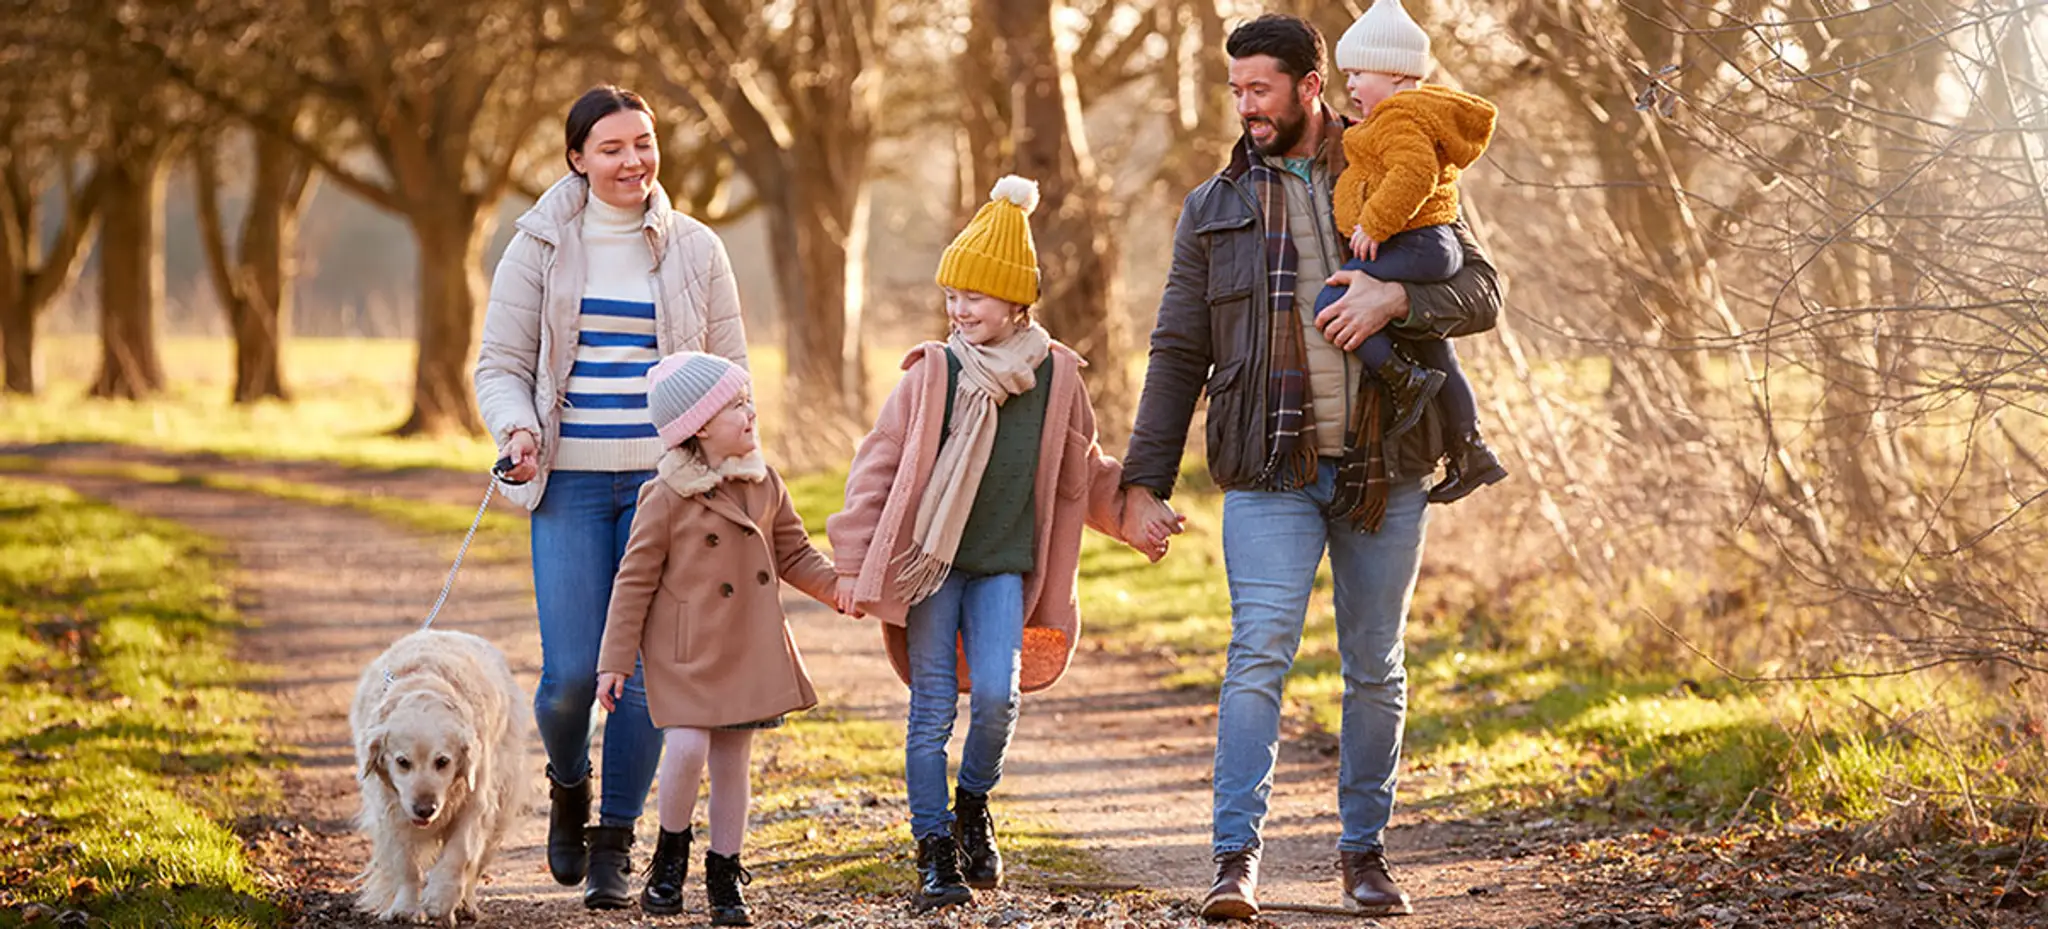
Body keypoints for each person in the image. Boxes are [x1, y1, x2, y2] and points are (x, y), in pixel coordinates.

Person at [1118, 13, 1504, 921]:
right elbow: (1177, 350)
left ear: (1309, 86)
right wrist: (1144, 482)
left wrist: (1396, 295)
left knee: (1375, 665)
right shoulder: (1211, 207)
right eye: (1236, 91)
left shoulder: (1398, 160)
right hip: (1267, 469)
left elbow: (1482, 290)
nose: (1247, 107)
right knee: (1257, 654)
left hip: (1386, 465)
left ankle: (1364, 854)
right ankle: (1233, 861)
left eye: (1261, 89)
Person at [827, 176, 1157, 912]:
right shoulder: (933, 374)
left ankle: (973, 803)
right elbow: (876, 465)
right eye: (953, 296)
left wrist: (1137, 514)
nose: (959, 309)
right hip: (931, 569)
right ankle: (934, 846)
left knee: (1002, 699)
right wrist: (852, 561)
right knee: (931, 708)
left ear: (1017, 303)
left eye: (975, 296)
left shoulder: (1058, 379)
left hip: (1003, 569)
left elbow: (1087, 472)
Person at [473, 84, 749, 909]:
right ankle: (569, 778)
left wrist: (740, 475)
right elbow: (500, 366)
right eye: (613, 149)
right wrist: (518, 430)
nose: (634, 161)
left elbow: (733, 375)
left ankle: (615, 843)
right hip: (570, 483)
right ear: (577, 160)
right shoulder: (538, 247)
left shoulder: (698, 249)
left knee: (642, 675)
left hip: (672, 486)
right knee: (568, 678)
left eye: (644, 144)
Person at [596, 352, 837, 925]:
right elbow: (633, 581)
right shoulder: (665, 495)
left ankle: (726, 875)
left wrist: (840, 590)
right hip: (686, 649)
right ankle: (670, 857)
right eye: (736, 405)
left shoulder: (764, 481)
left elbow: (794, 552)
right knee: (685, 747)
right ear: (700, 425)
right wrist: (614, 661)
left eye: (748, 401)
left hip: (747, 645)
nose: (751, 413)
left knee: (734, 760)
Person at [1316, 0, 1506, 503]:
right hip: (1430, 243)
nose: (1350, 85)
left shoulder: (1400, 118)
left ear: (1398, 74)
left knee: (1332, 300)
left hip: (1418, 242)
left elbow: (1414, 173)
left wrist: (1374, 225)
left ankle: (1403, 380)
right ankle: (1472, 450)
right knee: (1436, 346)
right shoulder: (1401, 118)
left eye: (1359, 73)